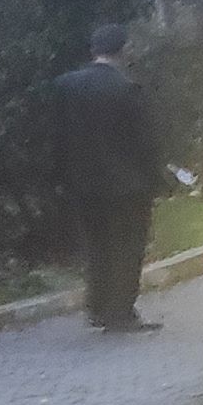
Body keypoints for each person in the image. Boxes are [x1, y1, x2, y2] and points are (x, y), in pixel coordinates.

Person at [51, 25, 160, 333]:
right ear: (123, 50)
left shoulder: (65, 86)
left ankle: (96, 308)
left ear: (93, 50)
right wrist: (156, 177)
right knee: (127, 247)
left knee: (96, 245)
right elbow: (143, 140)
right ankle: (121, 312)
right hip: (127, 185)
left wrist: (61, 176)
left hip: (82, 183)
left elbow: (58, 138)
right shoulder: (126, 88)